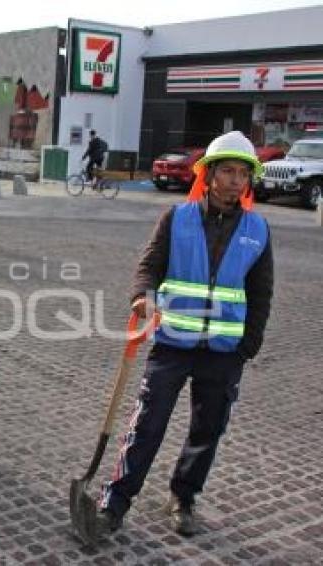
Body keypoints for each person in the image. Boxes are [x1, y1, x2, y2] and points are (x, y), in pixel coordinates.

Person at [96, 131, 274, 538]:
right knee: (148, 424)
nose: (234, 180)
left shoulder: (258, 230)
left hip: (224, 352)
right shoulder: (176, 219)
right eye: (226, 171)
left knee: (207, 429)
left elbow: (261, 293)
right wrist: (142, 296)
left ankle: (183, 497)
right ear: (208, 174)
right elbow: (148, 268)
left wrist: (248, 346)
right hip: (172, 344)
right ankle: (115, 502)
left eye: (241, 174)